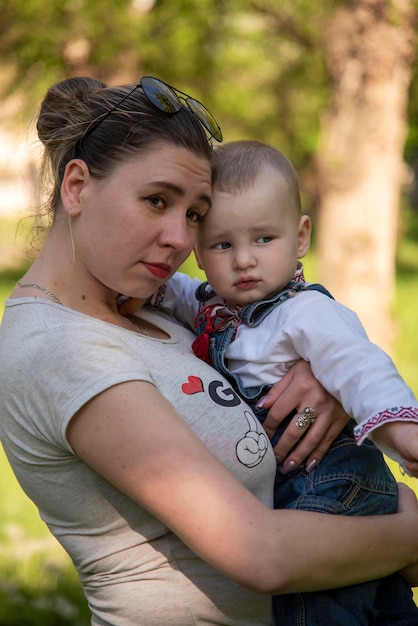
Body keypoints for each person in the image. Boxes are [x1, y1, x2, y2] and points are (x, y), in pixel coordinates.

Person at [1, 78, 418, 626]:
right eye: (157, 200)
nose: (180, 237)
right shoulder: (59, 349)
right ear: (76, 187)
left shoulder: (155, 307)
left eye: (196, 214)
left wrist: (321, 379)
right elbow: (259, 552)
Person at [147, 139, 418, 624]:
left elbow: (358, 365)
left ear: (300, 238)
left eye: (263, 239)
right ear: (199, 255)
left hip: (331, 482)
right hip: (321, 485)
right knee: (385, 608)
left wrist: (403, 432)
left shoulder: (305, 312)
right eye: (223, 244)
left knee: (311, 607)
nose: (245, 259)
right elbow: (175, 292)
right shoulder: (213, 305)